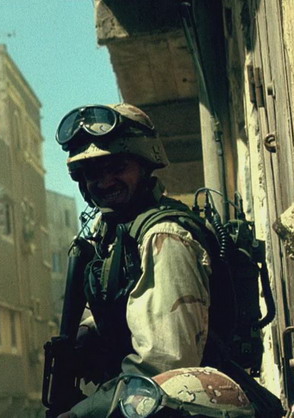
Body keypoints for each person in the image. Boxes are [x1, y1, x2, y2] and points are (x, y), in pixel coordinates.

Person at [52, 103, 214, 418]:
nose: (105, 182)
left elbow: (165, 370)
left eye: (118, 167)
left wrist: (82, 414)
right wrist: (87, 334)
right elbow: (126, 304)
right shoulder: (113, 238)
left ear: (144, 165)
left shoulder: (163, 237)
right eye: (92, 173)